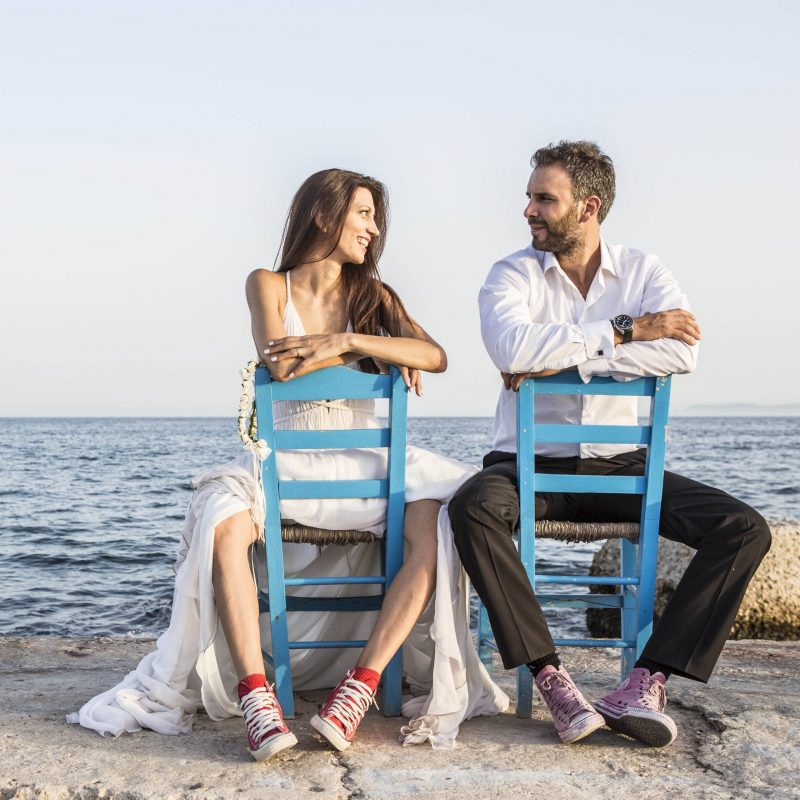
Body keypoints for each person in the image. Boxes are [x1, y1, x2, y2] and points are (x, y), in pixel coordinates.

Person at [68, 169, 507, 759]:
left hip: (364, 463)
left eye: (376, 217)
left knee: (435, 514)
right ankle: (256, 694)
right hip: (291, 461)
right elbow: (281, 366)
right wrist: (361, 353)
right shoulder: (266, 284)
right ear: (325, 216)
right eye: (363, 214)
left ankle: (361, 684)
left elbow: (435, 356)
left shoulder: (373, 298)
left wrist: (353, 342)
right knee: (222, 519)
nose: (374, 230)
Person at [448, 140, 772, 748]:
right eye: (529, 197)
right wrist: (624, 332)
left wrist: (570, 357)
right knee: (470, 507)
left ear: (589, 206)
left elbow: (683, 351)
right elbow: (511, 350)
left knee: (744, 527)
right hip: (528, 469)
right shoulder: (510, 273)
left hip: (623, 471)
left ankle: (644, 680)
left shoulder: (647, 272)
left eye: (545, 199)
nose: (529, 210)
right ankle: (552, 678)